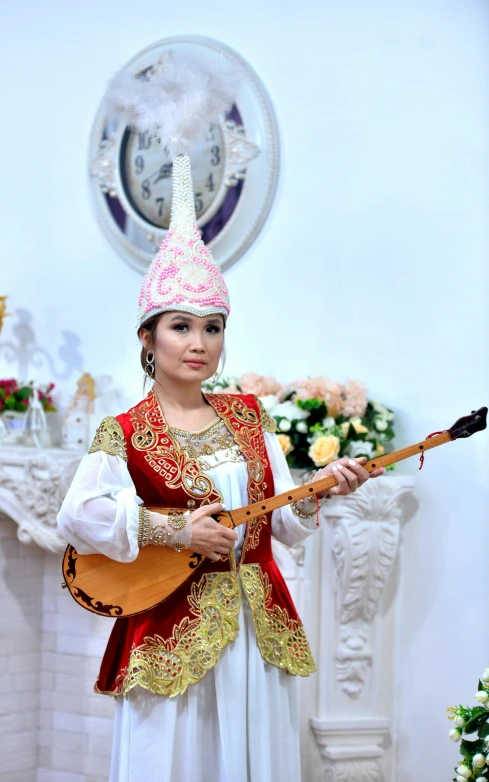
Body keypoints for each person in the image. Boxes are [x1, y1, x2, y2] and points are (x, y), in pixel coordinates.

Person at [57, 147, 385, 781]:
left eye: (212, 328)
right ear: (148, 338)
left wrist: (323, 491)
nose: (199, 343)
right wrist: (174, 530)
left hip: (258, 630)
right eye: (181, 327)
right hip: (169, 626)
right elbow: (79, 517)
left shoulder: (249, 417)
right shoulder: (124, 430)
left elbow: (282, 520)